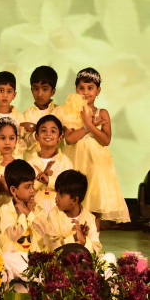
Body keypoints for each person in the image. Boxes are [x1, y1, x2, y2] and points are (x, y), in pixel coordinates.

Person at [60, 68, 130, 227]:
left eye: (90, 88)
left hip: (96, 164)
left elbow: (106, 140)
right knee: (73, 200)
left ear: (98, 91)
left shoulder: (102, 113)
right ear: (76, 89)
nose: (85, 92)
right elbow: (69, 139)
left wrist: (90, 124)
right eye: (81, 88)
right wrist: (87, 127)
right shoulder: (70, 111)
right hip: (76, 160)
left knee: (94, 202)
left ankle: (93, 238)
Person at [35, 170, 102, 253]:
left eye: (60, 194)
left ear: (74, 200)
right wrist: (74, 238)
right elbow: (52, 246)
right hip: (60, 260)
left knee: (109, 257)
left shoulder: (89, 218)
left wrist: (83, 240)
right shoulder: (54, 214)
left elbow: (96, 249)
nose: (56, 198)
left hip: (83, 260)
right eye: (56, 193)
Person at [0, 160, 44, 279]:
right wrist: (23, 214)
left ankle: (33, 277)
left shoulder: (36, 209)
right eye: (27, 186)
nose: (32, 190)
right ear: (13, 190)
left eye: (32, 185)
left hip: (32, 259)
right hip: (12, 261)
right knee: (6, 257)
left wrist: (29, 213)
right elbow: (14, 235)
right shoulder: (5, 210)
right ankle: (34, 278)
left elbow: (43, 232)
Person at [27, 115, 73, 216]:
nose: (48, 134)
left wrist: (49, 181)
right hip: (36, 214)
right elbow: (26, 190)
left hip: (59, 215)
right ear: (37, 137)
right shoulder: (30, 163)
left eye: (53, 131)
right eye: (43, 130)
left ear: (60, 138)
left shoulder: (65, 162)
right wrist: (39, 182)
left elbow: (69, 188)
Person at [20, 66, 59, 158]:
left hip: (55, 160)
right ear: (31, 90)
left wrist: (35, 128)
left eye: (45, 89)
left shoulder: (59, 111)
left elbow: (59, 137)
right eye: (36, 89)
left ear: (52, 92)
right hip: (31, 161)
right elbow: (25, 143)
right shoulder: (27, 113)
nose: (40, 94)